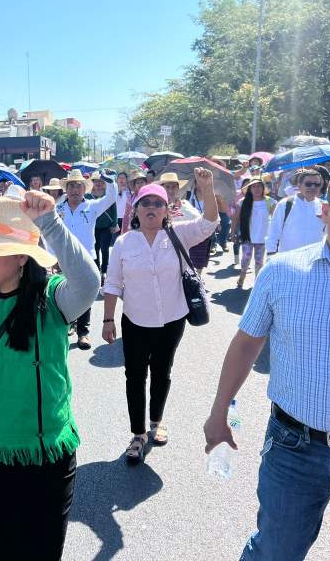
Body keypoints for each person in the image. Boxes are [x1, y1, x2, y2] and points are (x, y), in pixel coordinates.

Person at [204, 164, 330, 561]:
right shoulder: (282, 273)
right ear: (325, 211)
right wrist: (218, 412)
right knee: (275, 551)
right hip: (295, 449)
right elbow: (245, 345)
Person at [0, 189, 100, 560]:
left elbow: (89, 283)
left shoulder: (53, 299)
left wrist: (50, 223)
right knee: (7, 552)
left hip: (47, 456)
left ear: (23, 257)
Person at [103, 169, 219, 464]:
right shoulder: (124, 243)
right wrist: (107, 320)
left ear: (167, 209)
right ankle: (138, 434)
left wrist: (207, 188)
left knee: (162, 372)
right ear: (136, 209)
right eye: (146, 203)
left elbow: (209, 223)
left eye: (158, 203)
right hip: (135, 321)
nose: (151, 208)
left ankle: (156, 422)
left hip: (172, 319)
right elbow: (113, 283)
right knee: (134, 376)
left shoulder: (178, 233)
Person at [55, 169, 117, 350]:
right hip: (64, 258)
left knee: (86, 295)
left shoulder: (92, 206)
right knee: (63, 294)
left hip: (87, 259)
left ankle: (83, 332)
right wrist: (52, 256)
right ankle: (68, 325)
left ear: (84, 189)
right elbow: (50, 233)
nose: (75, 190)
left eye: (78, 186)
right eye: (71, 186)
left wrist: (109, 180)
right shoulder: (58, 208)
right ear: (66, 189)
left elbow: (111, 197)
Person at [266, 168, 325, 255]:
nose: (313, 187)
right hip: (288, 259)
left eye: (317, 184)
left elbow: (328, 235)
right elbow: (273, 232)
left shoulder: (324, 206)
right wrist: (271, 254)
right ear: (299, 185)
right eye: (308, 184)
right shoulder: (285, 204)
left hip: (315, 259)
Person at [231, 179, 274, 288]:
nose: (256, 189)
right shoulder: (242, 202)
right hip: (247, 237)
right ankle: (242, 276)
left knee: (259, 261)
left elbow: (275, 219)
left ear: (263, 188)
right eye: (253, 186)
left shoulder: (270, 201)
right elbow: (235, 218)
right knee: (246, 258)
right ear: (249, 189)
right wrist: (233, 232)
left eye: (259, 186)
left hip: (262, 237)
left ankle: (257, 282)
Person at [90, 176, 118, 285]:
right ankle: (96, 269)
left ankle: (105, 270)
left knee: (104, 248)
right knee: (95, 248)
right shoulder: (88, 196)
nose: (98, 183)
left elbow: (114, 210)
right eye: (96, 181)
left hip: (106, 226)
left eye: (101, 181)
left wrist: (114, 224)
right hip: (93, 227)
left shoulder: (108, 195)